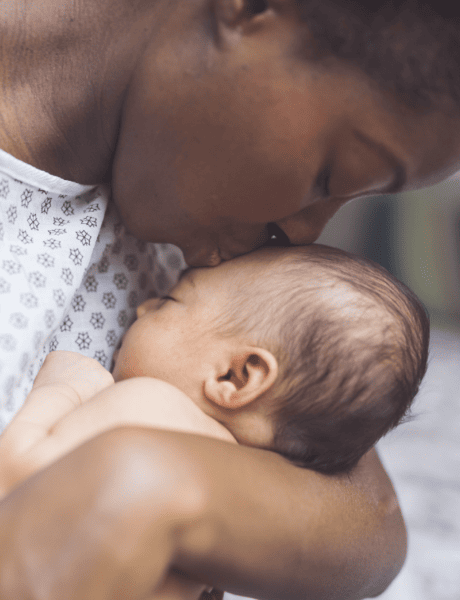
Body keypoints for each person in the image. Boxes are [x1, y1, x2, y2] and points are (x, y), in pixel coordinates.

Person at [1, 1, 460, 599]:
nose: (300, 236)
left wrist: (148, 483)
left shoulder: (199, 227)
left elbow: (372, 516)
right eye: (332, 176)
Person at [0, 243, 429, 599]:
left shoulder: (152, 407)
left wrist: (65, 384)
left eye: (171, 300)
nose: (145, 305)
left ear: (235, 376)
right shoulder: (237, 477)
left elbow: (19, 476)